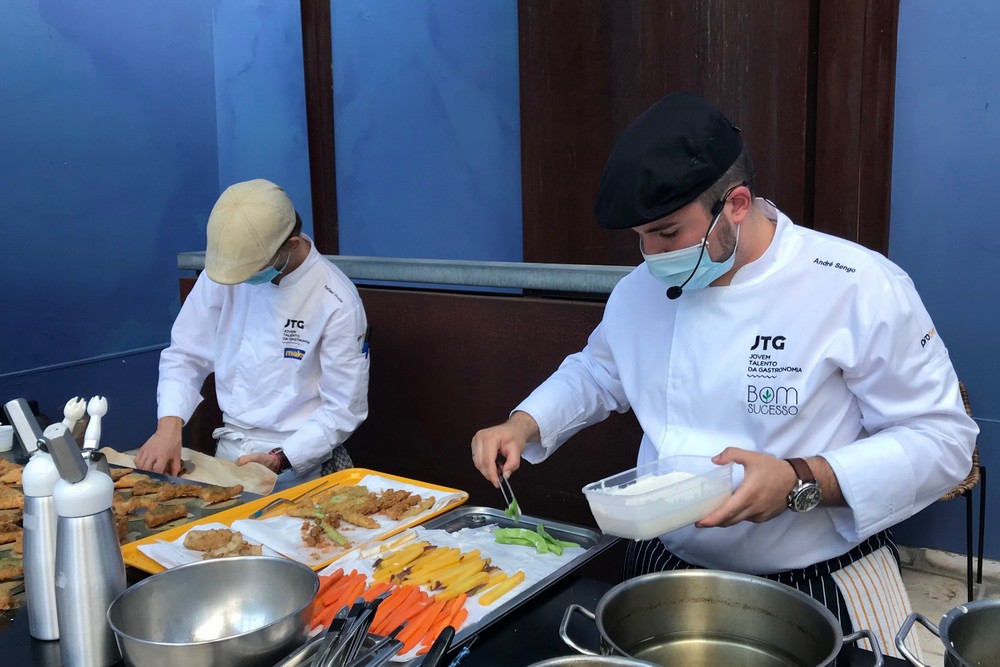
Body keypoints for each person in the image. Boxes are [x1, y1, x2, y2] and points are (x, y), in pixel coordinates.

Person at [470, 93, 978, 658]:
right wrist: (526, 422)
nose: (650, 255)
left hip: (819, 580)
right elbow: (600, 369)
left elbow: (943, 441)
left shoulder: (856, 284)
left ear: (736, 204)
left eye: (667, 234)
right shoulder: (640, 291)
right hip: (663, 566)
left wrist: (801, 479)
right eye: (640, 237)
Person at [136, 179, 369, 491]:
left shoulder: (337, 300)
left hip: (296, 459)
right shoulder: (225, 271)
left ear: (291, 244)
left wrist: (281, 458)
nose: (241, 280)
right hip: (229, 452)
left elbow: (343, 408)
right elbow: (186, 353)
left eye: (252, 270)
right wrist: (169, 426)